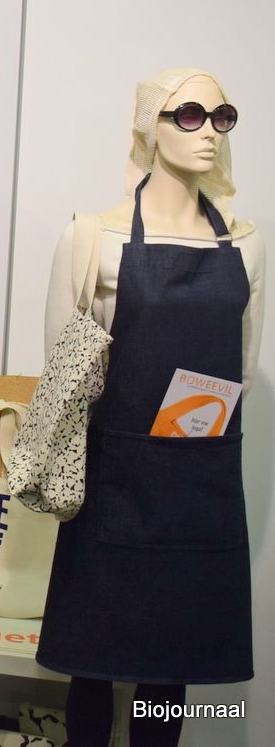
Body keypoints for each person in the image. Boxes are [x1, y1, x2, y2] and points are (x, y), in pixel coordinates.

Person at [35, 70, 265, 746]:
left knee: (171, 671)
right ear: (149, 126)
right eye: (188, 114)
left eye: (221, 116)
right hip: (114, 481)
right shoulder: (93, 238)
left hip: (198, 484)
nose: (208, 132)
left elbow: (240, 371)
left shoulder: (245, 245)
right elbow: (62, 377)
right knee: (91, 666)